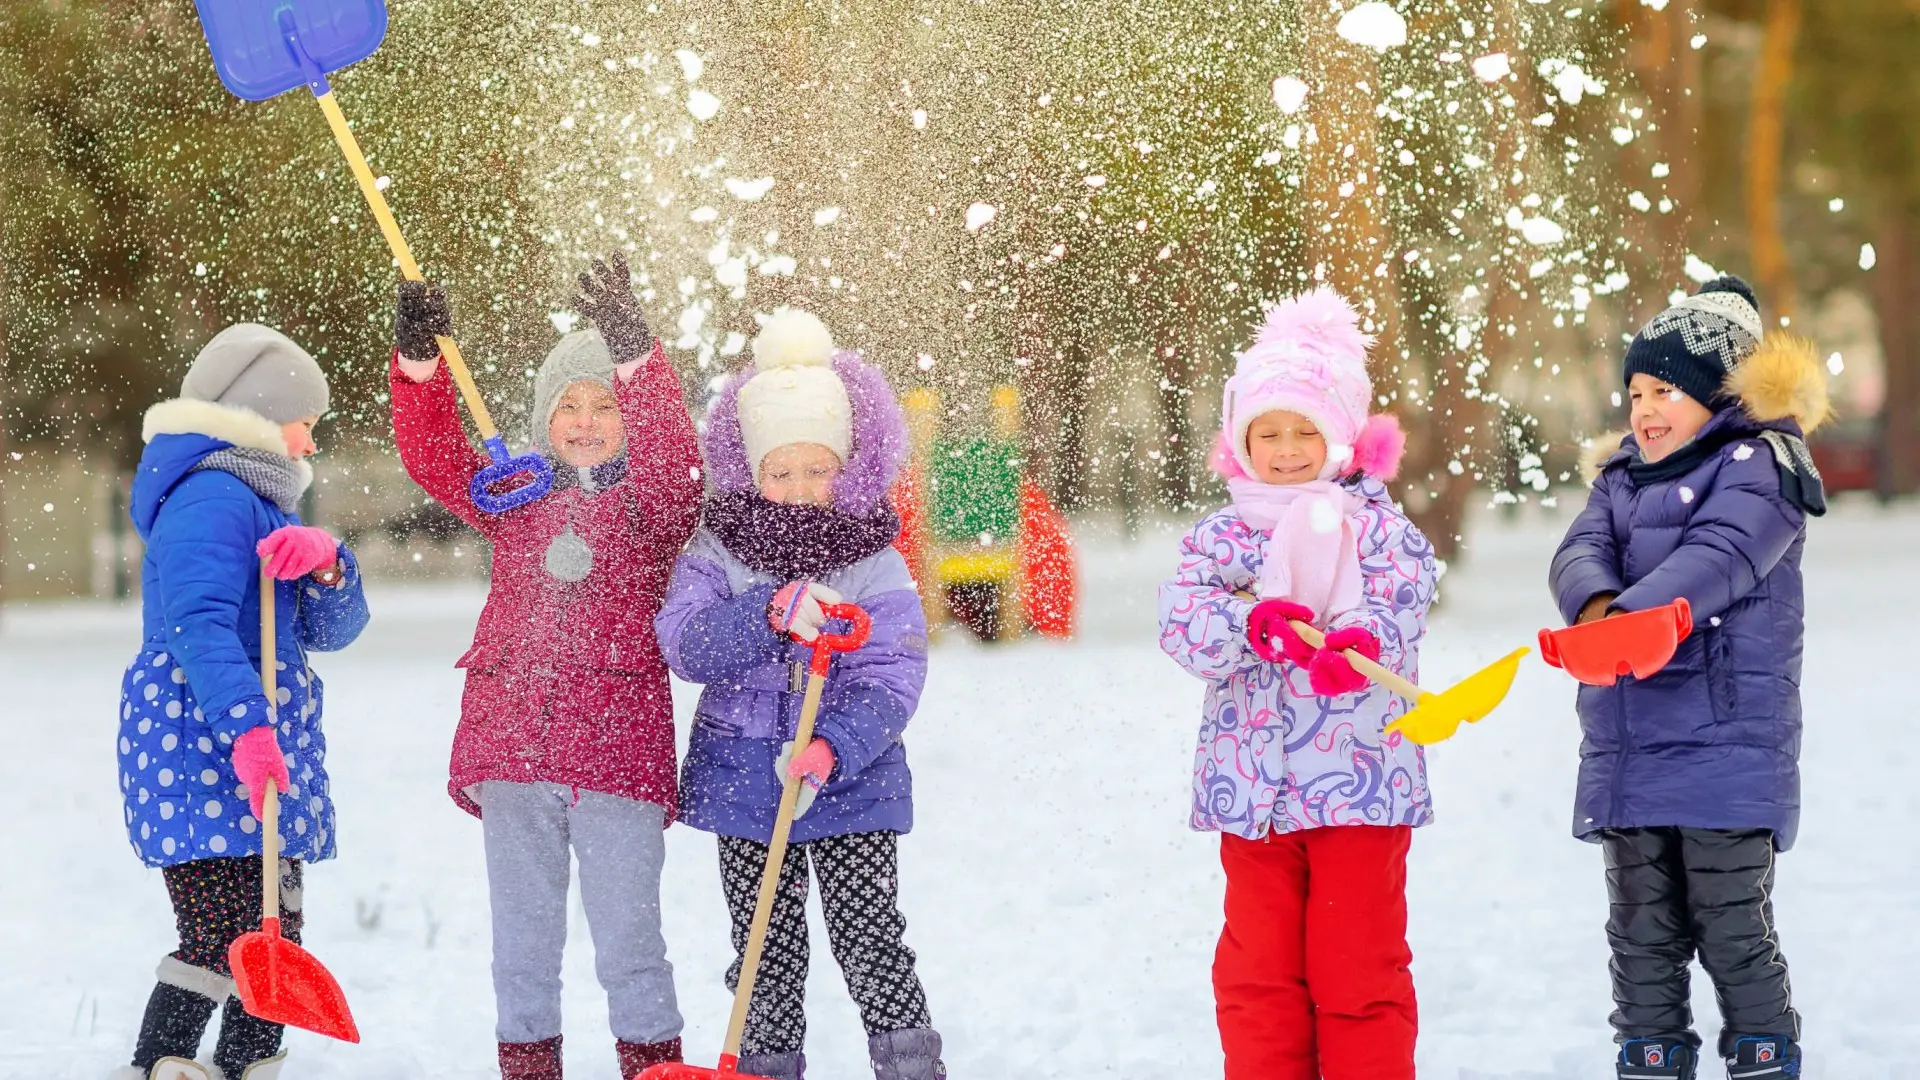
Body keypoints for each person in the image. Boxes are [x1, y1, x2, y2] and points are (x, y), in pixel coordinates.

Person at [388, 254, 701, 1079]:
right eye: (570, 405)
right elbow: (432, 457)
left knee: (630, 940)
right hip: (513, 750)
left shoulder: (651, 509)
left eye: (607, 405)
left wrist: (640, 358)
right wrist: (420, 365)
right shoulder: (513, 497)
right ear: (541, 418)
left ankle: (653, 1065)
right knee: (521, 943)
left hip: (616, 756)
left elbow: (678, 468)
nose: (589, 420)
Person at [655, 307, 944, 1080]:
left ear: (848, 463)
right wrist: (768, 614)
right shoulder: (717, 550)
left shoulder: (873, 561)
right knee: (762, 951)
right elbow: (684, 645)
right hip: (747, 786)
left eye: (817, 468)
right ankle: (763, 1069)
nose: (798, 488)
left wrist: (834, 746)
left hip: (853, 784)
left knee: (869, 936)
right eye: (779, 472)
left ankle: (911, 1068)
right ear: (750, 470)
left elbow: (894, 672)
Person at [1550, 276, 1828, 1080]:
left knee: (1730, 923)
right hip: (1632, 746)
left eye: (1665, 389)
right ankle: (1650, 1059)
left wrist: (1630, 619)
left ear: (1718, 394)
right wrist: (1598, 605)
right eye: (1635, 391)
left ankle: (1764, 1055)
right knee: (1640, 932)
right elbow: (1577, 549)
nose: (1644, 409)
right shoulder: (1619, 475)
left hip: (1727, 746)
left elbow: (1722, 556)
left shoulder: (1763, 466)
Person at [1157, 288, 1437, 1080]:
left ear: (1341, 434)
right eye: (1266, 432)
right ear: (1240, 442)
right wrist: (1249, 626)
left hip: (1359, 787)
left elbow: (1404, 603)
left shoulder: (1379, 528)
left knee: (1358, 973)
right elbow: (1182, 621)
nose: (1284, 449)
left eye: (1304, 430)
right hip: (1252, 794)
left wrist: (1360, 639)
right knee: (1258, 979)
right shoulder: (1222, 537)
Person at [112, 324, 370, 1080]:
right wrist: (247, 727)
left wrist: (330, 565)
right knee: (222, 926)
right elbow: (197, 627)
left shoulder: (266, 505)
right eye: (307, 424)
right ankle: (161, 1061)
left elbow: (332, 632)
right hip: (199, 744)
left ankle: (248, 1063)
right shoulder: (211, 500)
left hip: (253, 741)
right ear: (262, 410)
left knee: (274, 921)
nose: (312, 445)